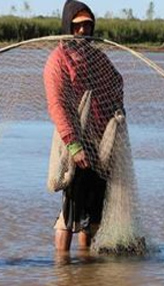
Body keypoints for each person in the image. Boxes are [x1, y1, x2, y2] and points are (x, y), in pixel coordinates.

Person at [44, 0, 124, 252]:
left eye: (87, 26)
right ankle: (63, 267)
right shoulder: (58, 60)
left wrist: (114, 119)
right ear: (68, 26)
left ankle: (86, 263)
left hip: (100, 144)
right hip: (75, 143)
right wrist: (74, 145)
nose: (83, 31)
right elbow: (57, 105)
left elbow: (115, 82)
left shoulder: (98, 57)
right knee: (70, 211)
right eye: (77, 26)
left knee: (93, 214)